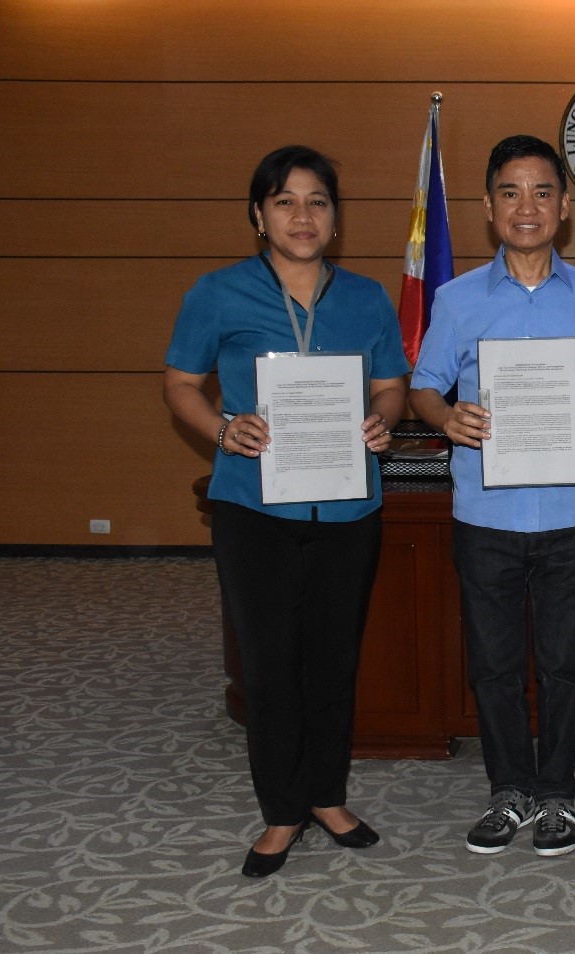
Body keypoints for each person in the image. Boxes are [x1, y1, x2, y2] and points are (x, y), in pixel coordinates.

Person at [163, 145, 410, 878]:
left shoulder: (366, 297)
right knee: (270, 665)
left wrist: (384, 419)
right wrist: (222, 430)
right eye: (284, 202)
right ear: (259, 216)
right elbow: (180, 383)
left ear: (335, 219)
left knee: (334, 660)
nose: (302, 216)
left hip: (348, 508)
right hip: (254, 507)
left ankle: (327, 797)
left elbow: (391, 384)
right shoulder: (218, 293)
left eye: (317, 202)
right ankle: (280, 811)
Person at [409, 135, 575, 858]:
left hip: (573, 513)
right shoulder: (454, 300)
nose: (527, 206)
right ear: (488, 207)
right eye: (510, 192)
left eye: (542, 191)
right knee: (493, 666)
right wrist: (446, 417)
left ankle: (557, 795)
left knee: (565, 664)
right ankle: (509, 790)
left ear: (564, 206)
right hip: (486, 513)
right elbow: (423, 388)